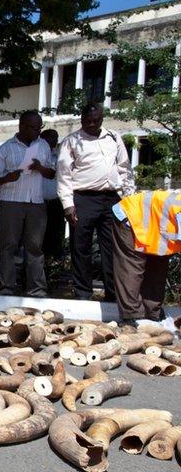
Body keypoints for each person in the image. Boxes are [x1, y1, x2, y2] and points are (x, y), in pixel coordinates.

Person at [57, 103, 136, 301]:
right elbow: (63, 175)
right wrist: (68, 205)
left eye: (96, 120)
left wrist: (129, 200)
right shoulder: (71, 141)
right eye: (87, 121)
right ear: (82, 120)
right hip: (83, 199)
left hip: (111, 199)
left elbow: (125, 169)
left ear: (102, 118)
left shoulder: (114, 137)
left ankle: (112, 294)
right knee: (81, 247)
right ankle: (83, 293)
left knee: (111, 248)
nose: (91, 124)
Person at [0, 111, 55, 296]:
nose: (37, 131)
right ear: (22, 126)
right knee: (8, 245)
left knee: (35, 247)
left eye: (39, 127)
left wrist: (39, 167)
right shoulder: (5, 148)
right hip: (11, 202)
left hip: (36, 201)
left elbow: (51, 173)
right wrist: (8, 177)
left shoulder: (43, 145)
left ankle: (36, 289)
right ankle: (7, 287)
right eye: (34, 128)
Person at [111, 190, 181, 327]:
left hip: (156, 229)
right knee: (130, 268)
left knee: (158, 266)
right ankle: (131, 316)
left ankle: (151, 312)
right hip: (130, 215)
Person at [39, 129, 66, 264]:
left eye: (55, 137)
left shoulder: (59, 155)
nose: (53, 140)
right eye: (49, 137)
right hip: (39, 201)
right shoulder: (36, 154)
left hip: (56, 201)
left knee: (55, 235)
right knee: (39, 237)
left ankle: (53, 263)